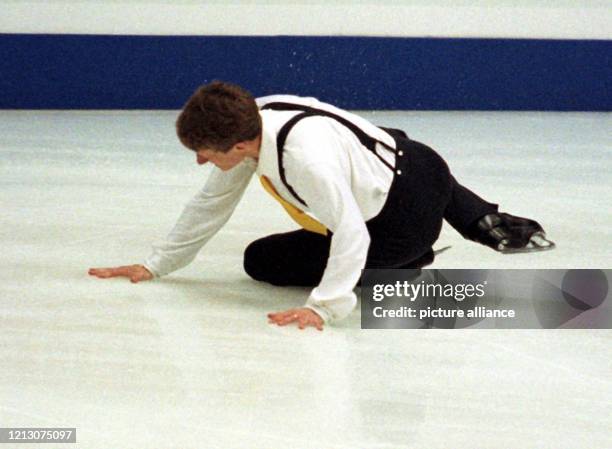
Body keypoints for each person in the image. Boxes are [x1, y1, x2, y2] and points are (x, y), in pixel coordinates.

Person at [89, 81, 554, 330]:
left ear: (238, 144)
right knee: (382, 150)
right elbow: (210, 203)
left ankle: (413, 257)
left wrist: (325, 308)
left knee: (262, 262)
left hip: (400, 217)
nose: (199, 161)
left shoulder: (303, 160)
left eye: (206, 153)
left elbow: (353, 232)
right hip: (420, 160)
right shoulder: (259, 113)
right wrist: (155, 266)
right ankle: (474, 214)